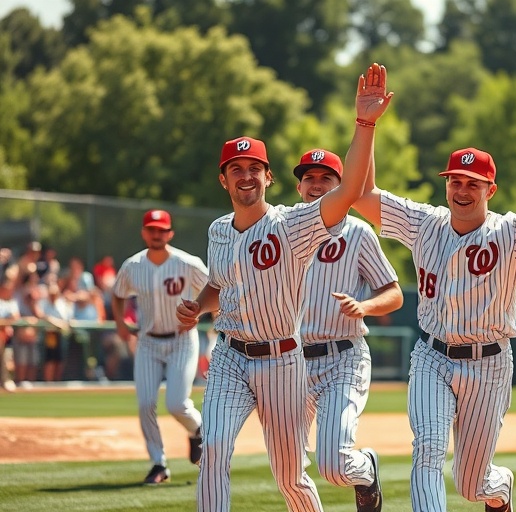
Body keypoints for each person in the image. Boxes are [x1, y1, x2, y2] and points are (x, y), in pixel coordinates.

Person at [351, 108, 516, 512]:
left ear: (490, 190)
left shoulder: (513, 233)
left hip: (489, 364)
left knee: (471, 483)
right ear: (446, 184)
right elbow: (361, 193)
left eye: (473, 183)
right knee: (428, 448)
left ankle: (498, 487)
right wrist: (367, 125)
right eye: (455, 181)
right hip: (432, 356)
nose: (462, 190)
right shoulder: (424, 223)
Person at [175, 62, 392, 512]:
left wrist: (364, 124)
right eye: (236, 169)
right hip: (230, 355)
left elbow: (351, 188)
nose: (246, 175)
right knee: (213, 448)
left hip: (282, 362)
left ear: (269, 178)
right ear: (224, 179)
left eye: (255, 168)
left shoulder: (294, 225)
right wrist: (197, 306)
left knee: (291, 477)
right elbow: (219, 282)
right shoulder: (218, 230)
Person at [293, 148, 403, 509]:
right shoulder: (282, 227)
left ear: (342, 186)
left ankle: (365, 470)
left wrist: (365, 307)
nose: (317, 184)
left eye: (327, 178)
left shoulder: (357, 232)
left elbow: (394, 293)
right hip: (290, 362)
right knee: (288, 463)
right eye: (309, 177)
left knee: (334, 464)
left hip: (342, 356)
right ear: (298, 187)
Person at [111, 209, 210, 485]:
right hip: (148, 341)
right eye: (151, 229)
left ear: (170, 233)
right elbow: (118, 293)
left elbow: (216, 288)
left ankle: (198, 429)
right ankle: (158, 463)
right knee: (146, 404)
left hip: (181, 341)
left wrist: (199, 314)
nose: (156, 234)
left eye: (161, 230)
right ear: (144, 233)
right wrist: (120, 323)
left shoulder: (187, 263)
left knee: (177, 404)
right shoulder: (133, 266)